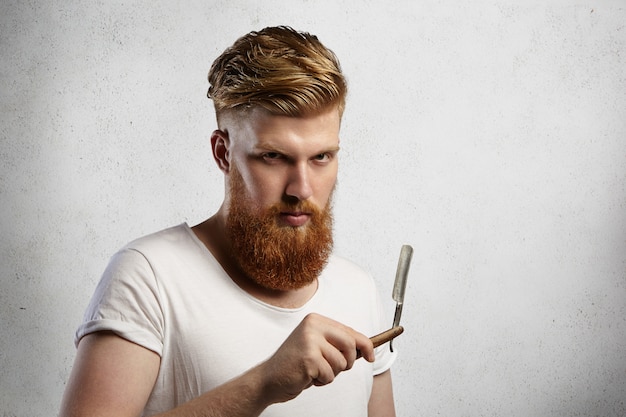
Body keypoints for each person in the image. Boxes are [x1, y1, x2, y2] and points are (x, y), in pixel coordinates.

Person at [60, 26, 397, 417]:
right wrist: (264, 383)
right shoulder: (148, 277)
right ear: (223, 153)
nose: (302, 188)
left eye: (321, 157)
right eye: (273, 157)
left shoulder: (358, 290)